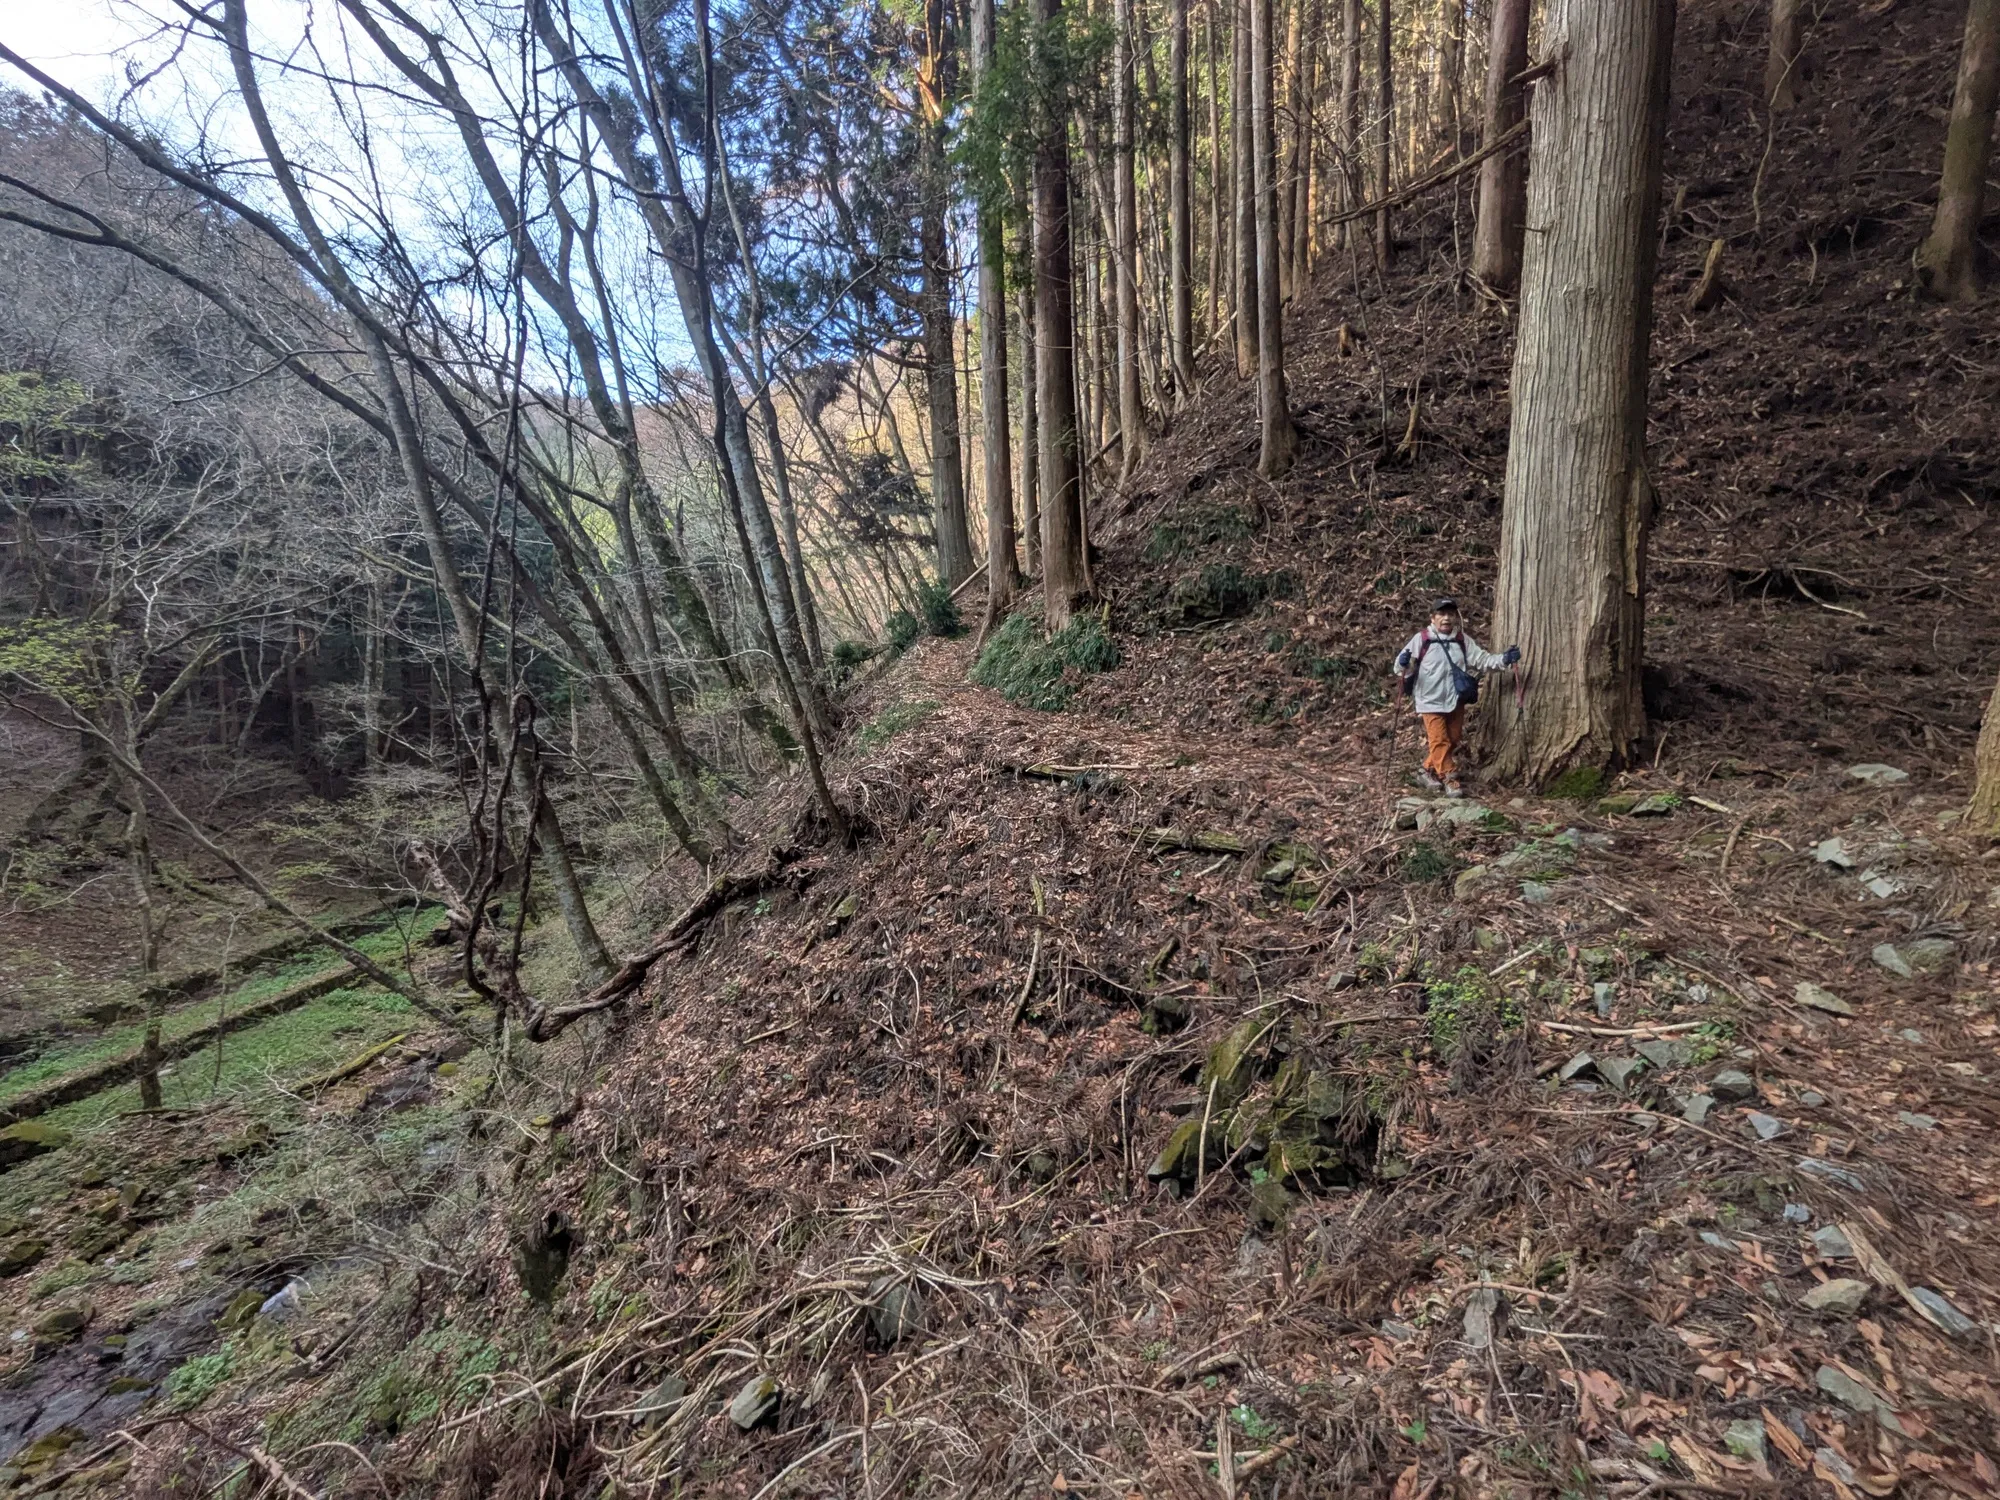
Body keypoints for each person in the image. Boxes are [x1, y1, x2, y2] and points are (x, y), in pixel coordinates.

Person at [1392, 597, 1519, 797]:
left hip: (1454, 699)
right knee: (1440, 740)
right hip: (1429, 700)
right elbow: (1401, 668)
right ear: (1432, 618)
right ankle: (1450, 779)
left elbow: (1482, 660)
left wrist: (1504, 659)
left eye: (1450, 614)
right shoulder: (1422, 639)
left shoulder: (1461, 640)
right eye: (1442, 614)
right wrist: (1403, 662)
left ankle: (1426, 771)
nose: (1446, 619)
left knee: (1453, 738)